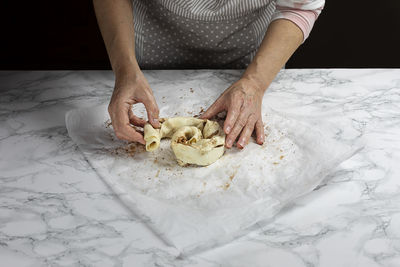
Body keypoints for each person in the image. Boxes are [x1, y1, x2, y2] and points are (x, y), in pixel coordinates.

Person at [93, 0, 324, 149]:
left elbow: (299, 6)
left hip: (254, 55)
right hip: (151, 53)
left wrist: (255, 82)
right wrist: (125, 69)